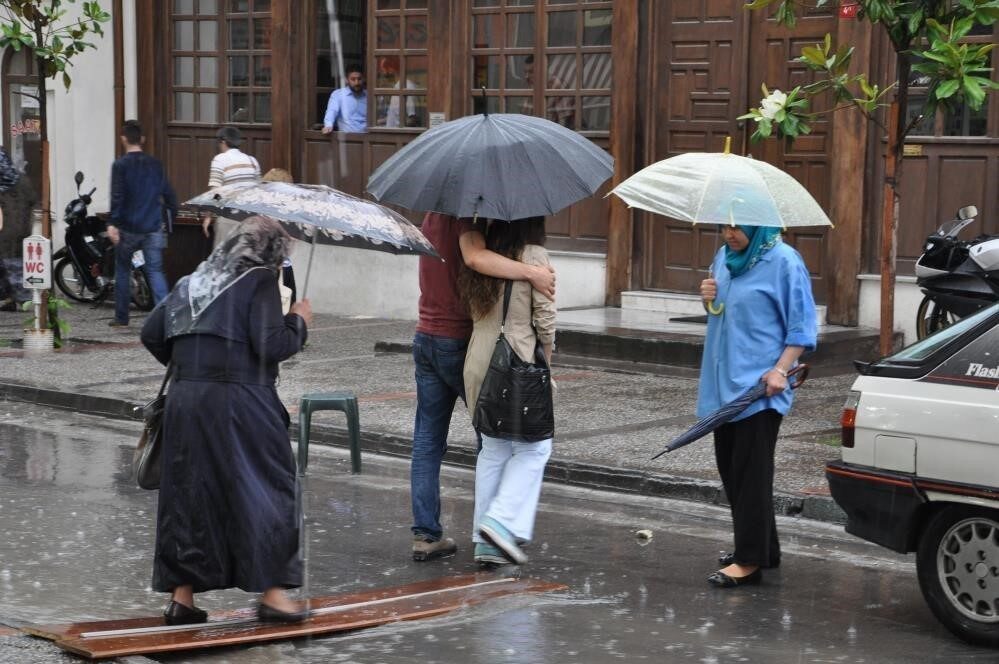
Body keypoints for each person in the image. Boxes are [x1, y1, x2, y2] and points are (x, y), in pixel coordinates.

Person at [140, 216, 314, 625]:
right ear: (271, 253)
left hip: (186, 399)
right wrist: (300, 320)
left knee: (190, 494)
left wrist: (192, 364)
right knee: (269, 487)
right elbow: (273, 344)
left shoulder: (192, 281)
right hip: (241, 401)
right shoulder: (258, 281)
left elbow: (151, 333)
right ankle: (274, 594)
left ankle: (181, 598)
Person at [408, 213, 556, 562]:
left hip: (426, 335)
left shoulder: (431, 218)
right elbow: (475, 258)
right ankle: (497, 526)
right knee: (502, 438)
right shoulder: (468, 226)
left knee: (431, 440)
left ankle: (428, 533)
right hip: (460, 342)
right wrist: (533, 272)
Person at [698, 224, 817, 588]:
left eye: (737, 227)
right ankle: (764, 547)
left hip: (762, 386)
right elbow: (721, 312)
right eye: (723, 226)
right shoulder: (724, 258)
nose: (729, 234)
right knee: (732, 468)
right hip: (723, 383)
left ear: (757, 222)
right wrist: (707, 298)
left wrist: (781, 370)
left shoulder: (784, 261)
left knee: (750, 471)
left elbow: (802, 324)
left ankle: (749, 560)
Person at [459, 217, 555, 567]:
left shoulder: (482, 253)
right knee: (536, 448)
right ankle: (498, 521)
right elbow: (545, 322)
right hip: (516, 360)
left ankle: (485, 542)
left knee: (493, 448)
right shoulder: (535, 257)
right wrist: (547, 366)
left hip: (479, 360)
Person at [107, 120, 177, 327]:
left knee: (122, 270)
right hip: (153, 225)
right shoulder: (156, 164)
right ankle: (165, 319)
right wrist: (171, 214)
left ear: (123, 139)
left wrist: (112, 223)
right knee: (155, 271)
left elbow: (117, 196)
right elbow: (169, 193)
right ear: (142, 140)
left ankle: (121, 317)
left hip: (128, 226)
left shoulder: (120, 165)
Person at [202, 126, 261, 238]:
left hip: (228, 216)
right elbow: (259, 190)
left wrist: (208, 215)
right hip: (251, 218)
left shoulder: (220, 159)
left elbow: (215, 191)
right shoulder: (252, 161)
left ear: (223, 142)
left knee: (225, 253)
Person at [260, 168, 297, 303]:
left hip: (272, 268)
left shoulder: (262, 210)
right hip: (281, 267)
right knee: (286, 309)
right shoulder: (287, 211)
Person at [322, 65, 368, 134]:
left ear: (364, 79)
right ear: (347, 80)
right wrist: (328, 125)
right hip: (347, 139)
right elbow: (332, 111)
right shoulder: (338, 95)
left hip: (367, 138)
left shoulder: (369, 96)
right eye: (353, 79)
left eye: (359, 79)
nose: (357, 83)